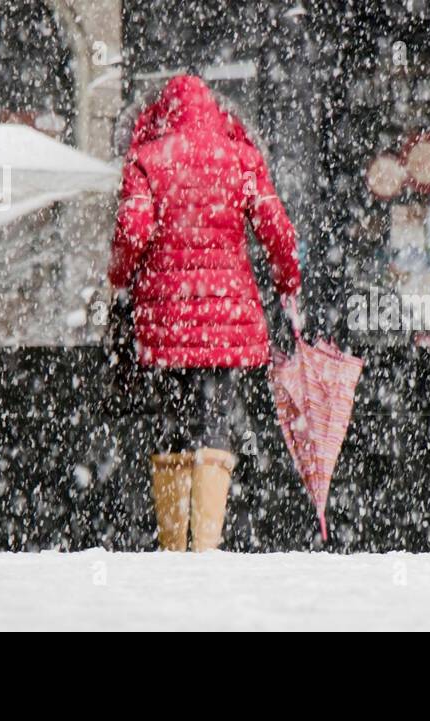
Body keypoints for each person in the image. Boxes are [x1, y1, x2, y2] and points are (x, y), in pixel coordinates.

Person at [110, 75, 302, 552]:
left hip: (165, 315)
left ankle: (174, 543)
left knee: (172, 420)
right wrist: (288, 284)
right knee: (215, 416)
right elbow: (276, 230)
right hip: (226, 316)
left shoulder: (148, 160)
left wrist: (117, 281)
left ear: (164, 114)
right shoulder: (238, 157)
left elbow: (132, 230)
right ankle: (207, 543)